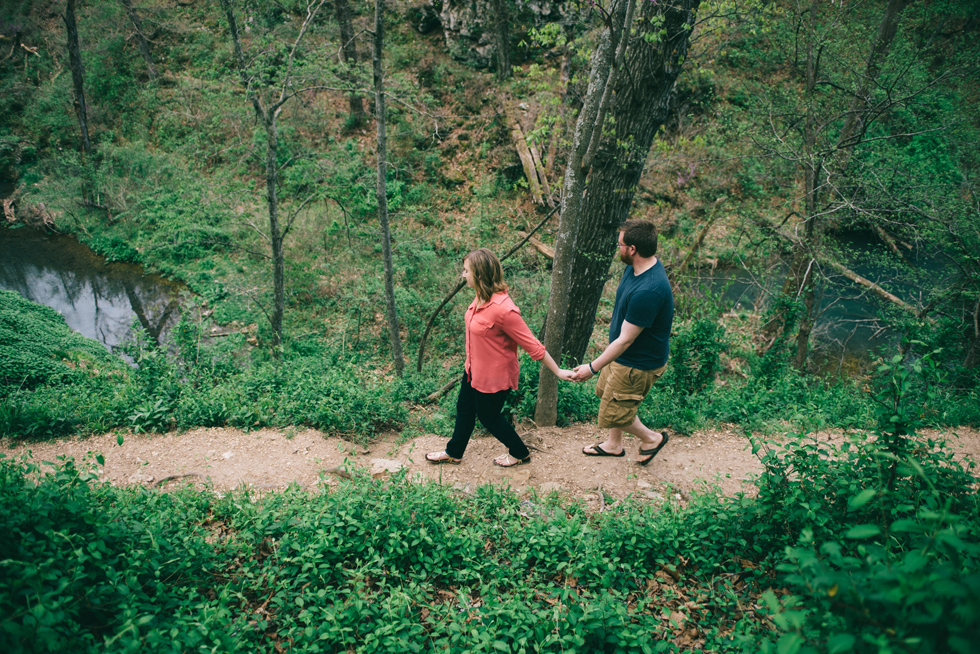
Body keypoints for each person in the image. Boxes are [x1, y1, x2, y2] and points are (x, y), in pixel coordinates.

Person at [427, 248, 574, 468]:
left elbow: (533, 345)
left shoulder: (504, 310)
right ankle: (454, 452)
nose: (462, 274)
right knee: (464, 409)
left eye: (465, 270)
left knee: (489, 418)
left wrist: (559, 371)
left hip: (493, 378)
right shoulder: (479, 297)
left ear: (478, 274)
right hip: (472, 370)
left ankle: (520, 452)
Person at [572, 219, 674, 465]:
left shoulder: (649, 291)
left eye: (620, 244)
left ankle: (652, 439)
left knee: (616, 412)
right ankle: (613, 445)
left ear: (632, 249)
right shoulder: (636, 268)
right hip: (622, 356)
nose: (617, 248)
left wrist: (592, 367)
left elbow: (626, 340)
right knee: (612, 397)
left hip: (636, 364)